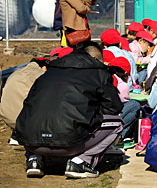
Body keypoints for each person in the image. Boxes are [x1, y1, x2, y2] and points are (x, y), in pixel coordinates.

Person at [15, 41, 123, 178]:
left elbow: (31, 103)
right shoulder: (98, 72)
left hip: (31, 142)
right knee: (117, 123)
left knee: (35, 115)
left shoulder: (50, 70)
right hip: (69, 144)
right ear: (94, 59)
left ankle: (34, 159)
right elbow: (114, 107)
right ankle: (80, 163)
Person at [0, 58, 50, 145]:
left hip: (7, 118)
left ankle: (15, 135)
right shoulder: (40, 74)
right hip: (26, 122)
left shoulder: (16, 73)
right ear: (44, 67)